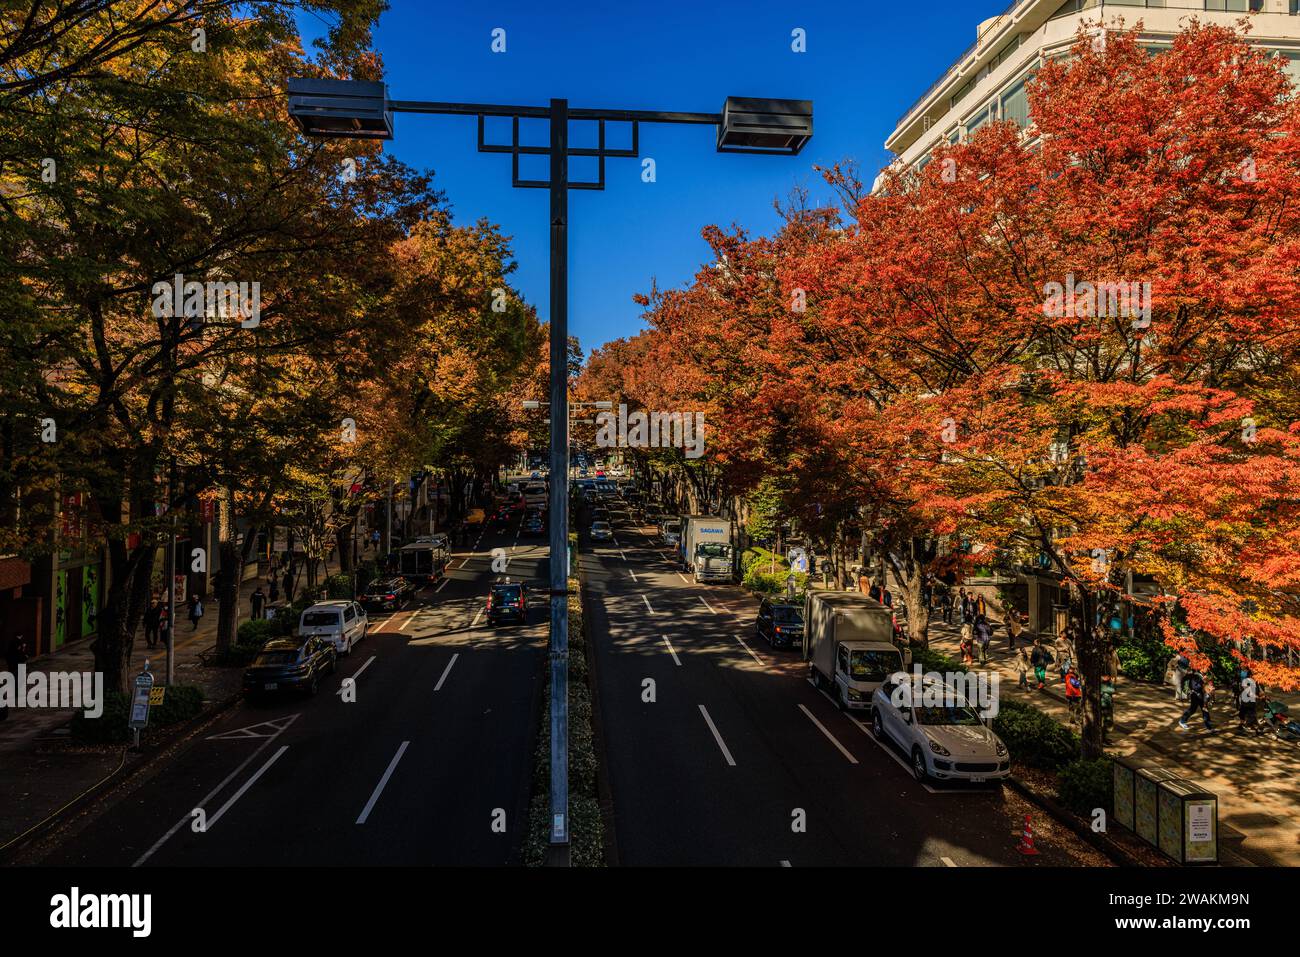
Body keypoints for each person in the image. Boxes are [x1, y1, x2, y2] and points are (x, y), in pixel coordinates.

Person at [1099, 674, 1116, 742]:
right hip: (1103, 705)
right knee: (1105, 722)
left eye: (1107, 676)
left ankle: (1104, 737)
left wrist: (1112, 683)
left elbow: (1113, 690)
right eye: (1104, 676)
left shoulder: (1108, 683)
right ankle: (1102, 738)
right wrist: (1111, 685)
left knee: (1108, 722)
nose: (1106, 677)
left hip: (1108, 705)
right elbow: (1111, 690)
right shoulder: (1100, 684)